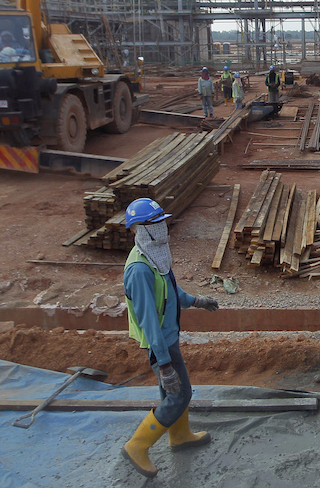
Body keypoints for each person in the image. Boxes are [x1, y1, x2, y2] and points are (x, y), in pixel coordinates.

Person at [120, 198, 219, 479]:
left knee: (172, 394)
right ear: (138, 229)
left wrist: (196, 301)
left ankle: (180, 436)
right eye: (155, 224)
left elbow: (170, 290)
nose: (162, 228)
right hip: (159, 344)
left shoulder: (154, 254)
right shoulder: (139, 270)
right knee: (180, 393)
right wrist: (163, 364)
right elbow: (148, 320)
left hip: (168, 338)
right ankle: (138, 445)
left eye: (162, 222)